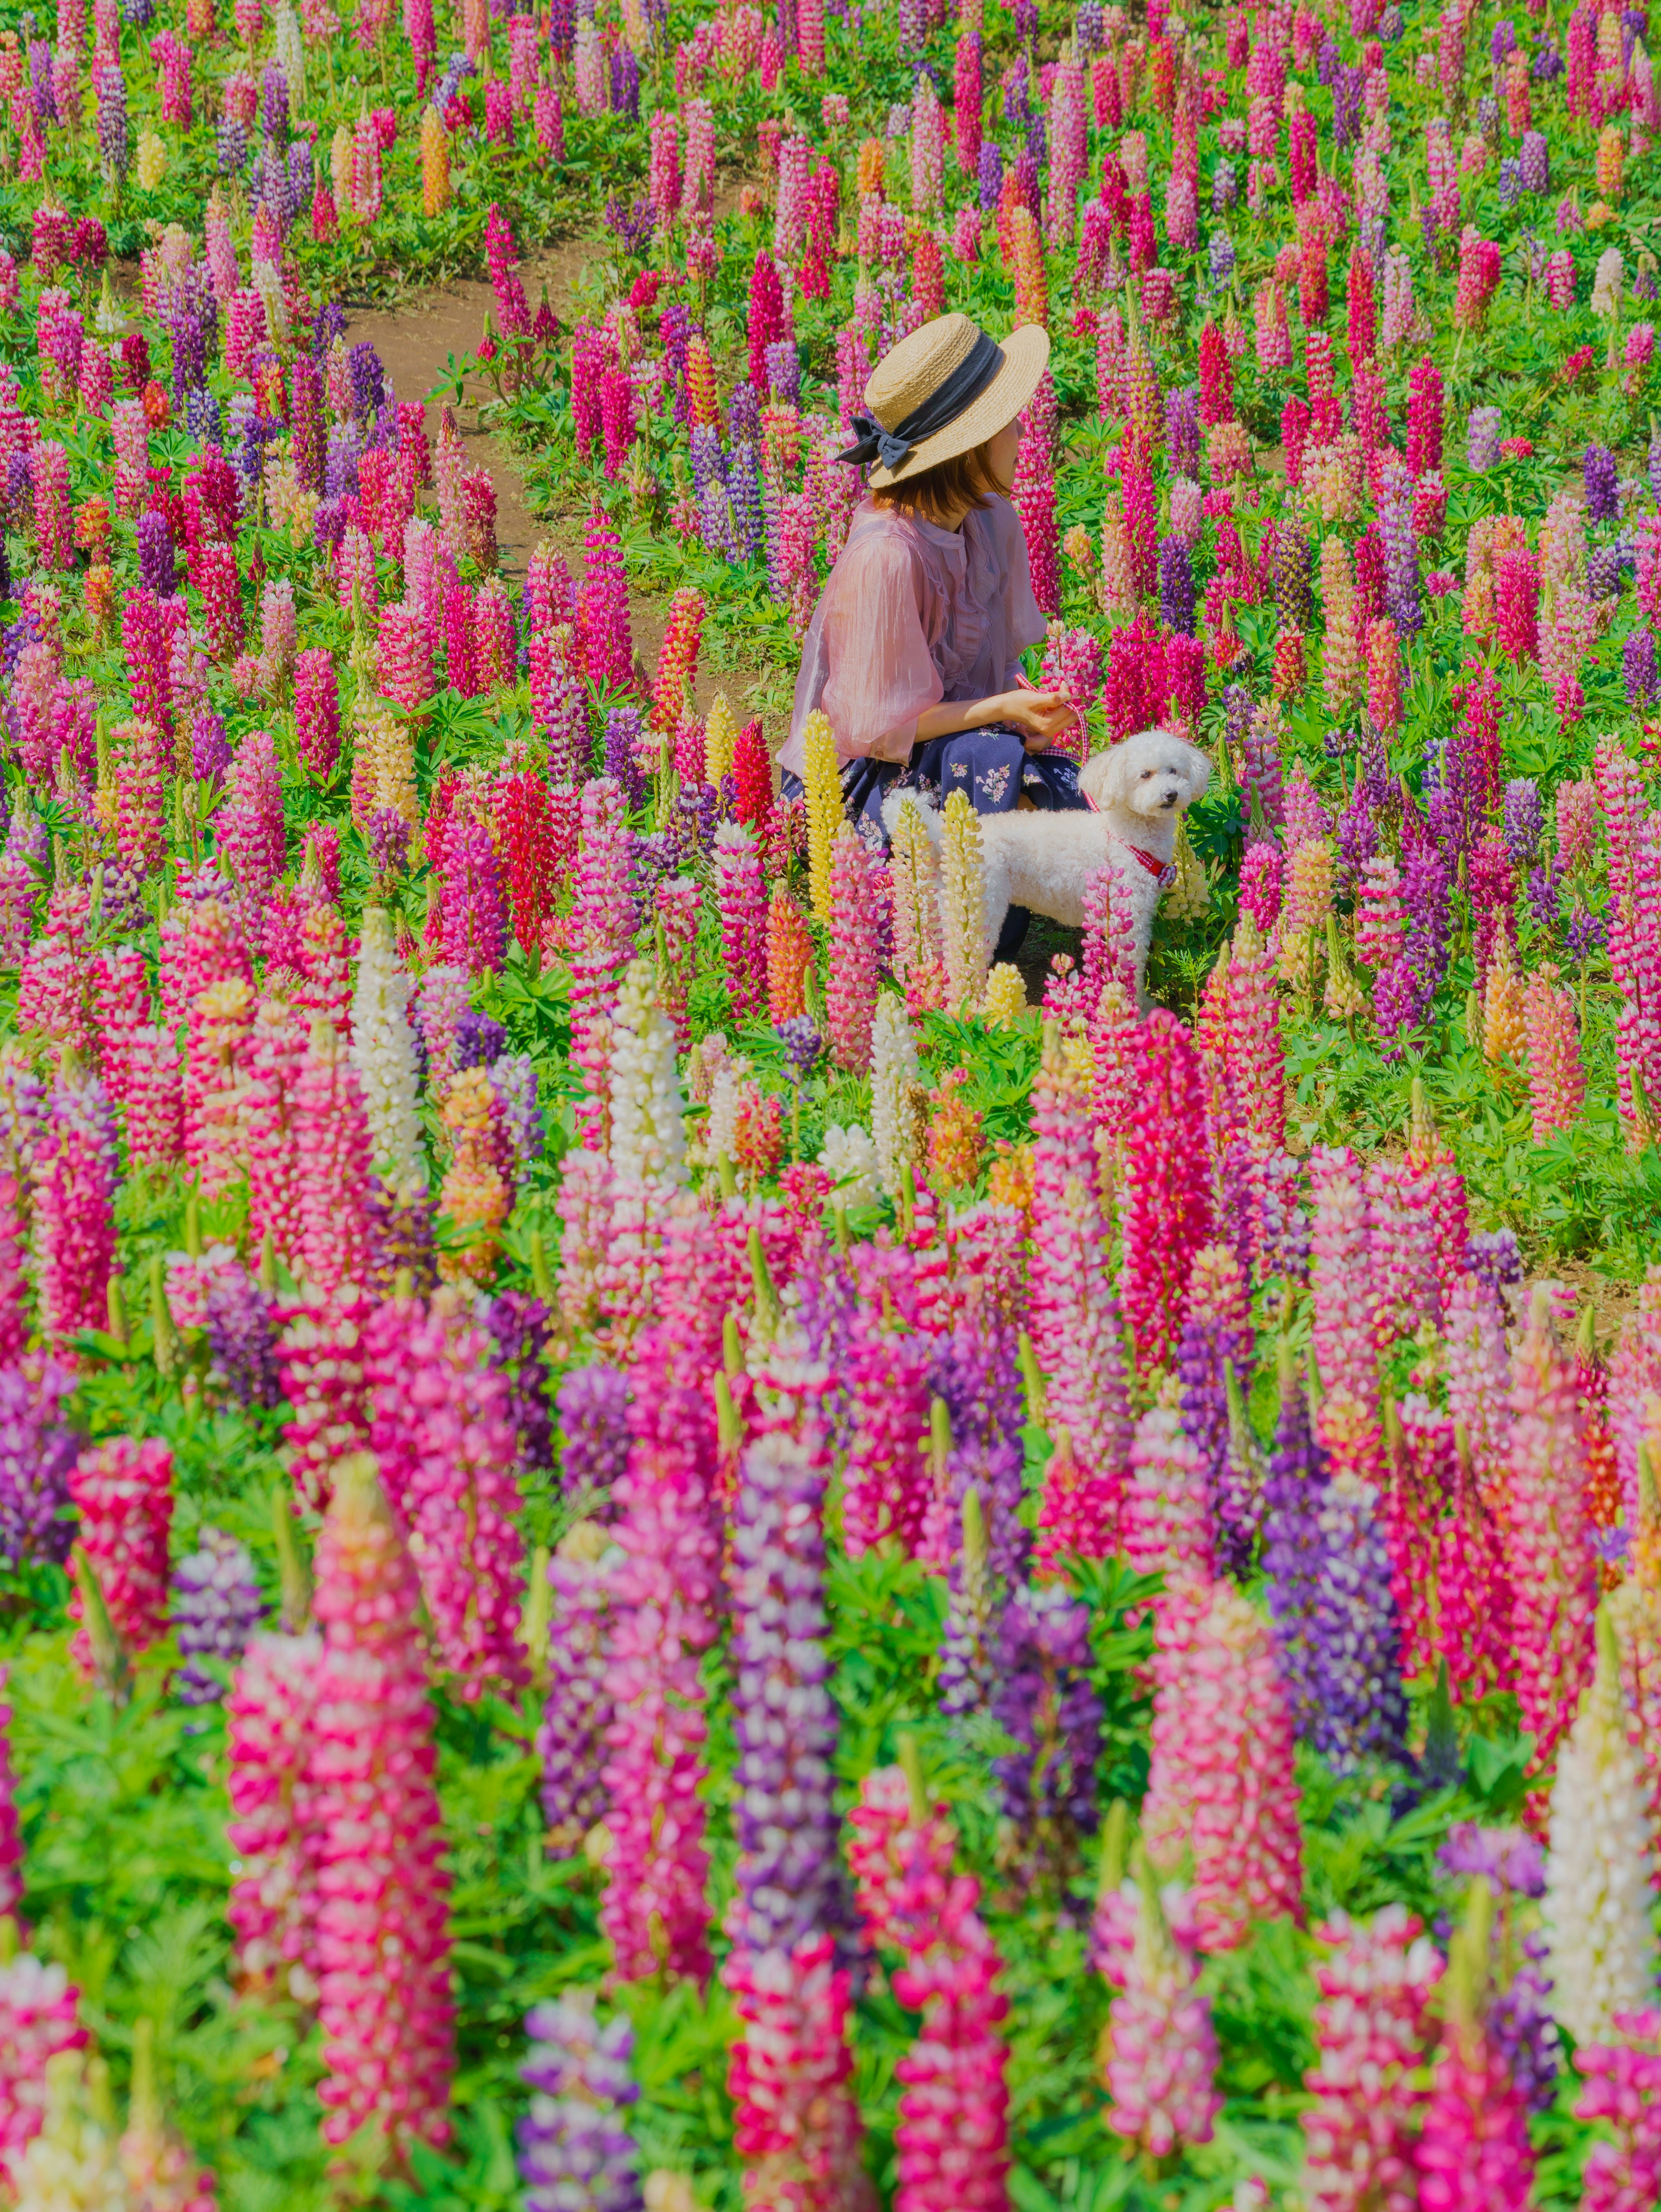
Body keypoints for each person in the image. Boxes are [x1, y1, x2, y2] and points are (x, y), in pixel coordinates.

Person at [777, 311, 1086, 957]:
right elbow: (880, 728)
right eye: (1007, 421)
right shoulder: (886, 556)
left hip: (952, 744)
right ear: (966, 448)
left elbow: (991, 668)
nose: (1023, 431)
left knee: (1070, 792)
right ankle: (942, 918)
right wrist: (999, 714)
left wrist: (1018, 706)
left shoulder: (992, 520)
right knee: (992, 768)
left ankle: (999, 896)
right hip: (860, 780)